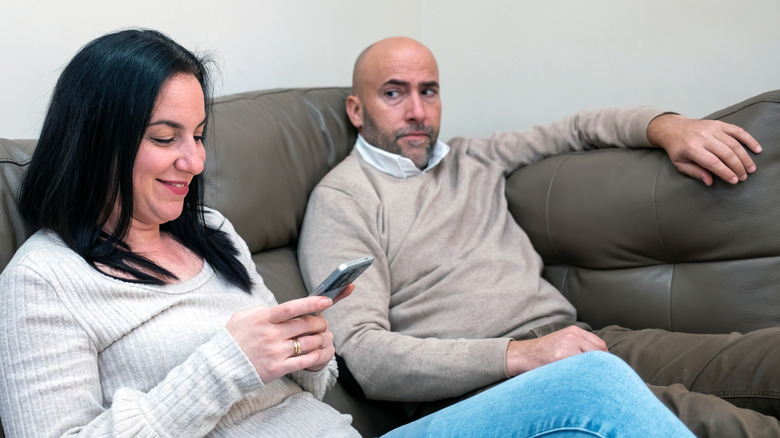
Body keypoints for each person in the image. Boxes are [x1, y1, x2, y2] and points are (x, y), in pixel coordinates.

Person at [0, 29, 696, 438]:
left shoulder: (208, 230)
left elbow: (309, 390)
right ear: (96, 140)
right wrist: (225, 366)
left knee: (593, 384)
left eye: (200, 136)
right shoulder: (43, 279)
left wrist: (309, 353)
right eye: (165, 137)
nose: (195, 161)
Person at [297, 36, 780, 437]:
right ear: (357, 111)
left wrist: (666, 126)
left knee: (764, 359)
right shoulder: (344, 198)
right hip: (486, 385)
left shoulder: (475, 158)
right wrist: (519, 355)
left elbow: (577, 129)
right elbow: (364, 353)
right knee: (721, 424)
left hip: (578, 341)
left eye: (430, 91)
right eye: (395, 93)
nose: (418, 111)